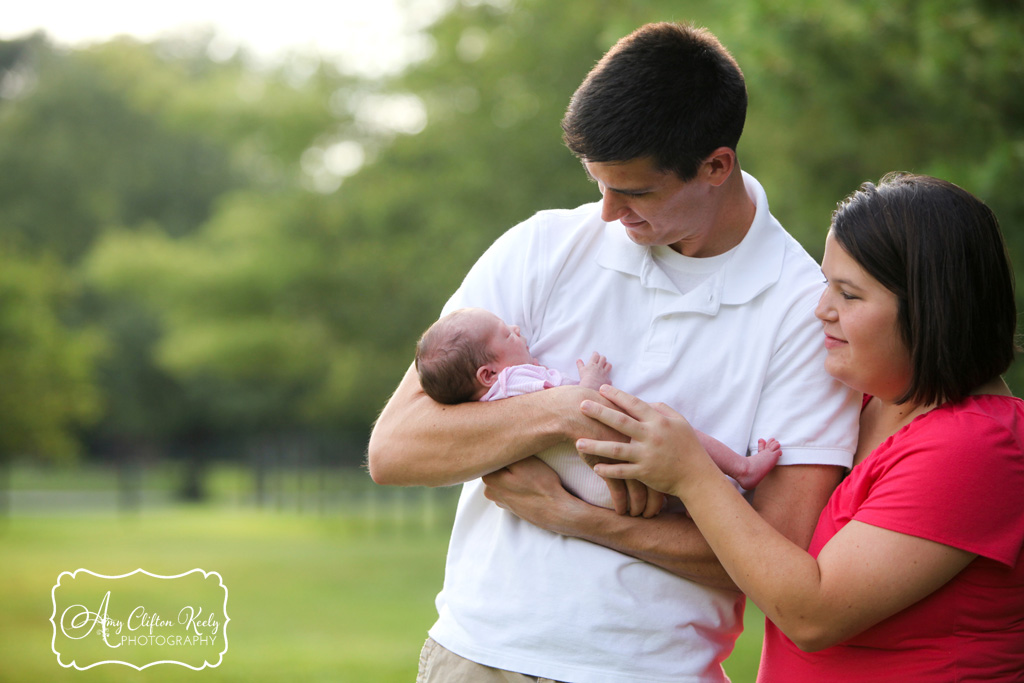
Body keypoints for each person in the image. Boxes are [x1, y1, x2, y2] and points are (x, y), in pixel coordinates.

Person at [369, 21, 861, 682]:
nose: (605, 214)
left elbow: (778, 560)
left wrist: (575, 516)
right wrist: (566, 412)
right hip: (475, 656)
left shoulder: (806, 314)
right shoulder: (544, 247)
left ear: (717, 166)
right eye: (598, 184)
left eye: (634, 193)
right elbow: (398, 448)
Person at [573, 173, 1024, 681]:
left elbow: (813, 614)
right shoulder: (868, 405)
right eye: (827, 284)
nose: (821, 310)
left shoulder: (977, 445)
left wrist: (690, 474)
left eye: (849, 296)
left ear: (931, 307)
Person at [415, 306, 783, 507]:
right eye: (506, 334)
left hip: (590, 491)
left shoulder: (487, 411)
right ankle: (741, 468)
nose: (517, 329)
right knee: (665, 422)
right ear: (488, 373)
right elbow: (578, 406)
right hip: (604, 473)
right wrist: (592, 379)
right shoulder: (514, 384)